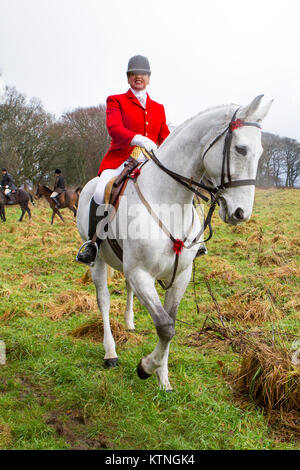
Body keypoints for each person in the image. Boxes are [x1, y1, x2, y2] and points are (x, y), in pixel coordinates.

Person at [76, 55, 170, 266]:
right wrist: (139, 139)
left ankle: (192, 240)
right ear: (128, 78)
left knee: (177, 184)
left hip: (151, 161)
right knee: (101, 191)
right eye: (134, 74)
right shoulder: (115, 100)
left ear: (149, 78)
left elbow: (164, 137)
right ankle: (93, 244)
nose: (139, 77)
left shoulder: (159, 108)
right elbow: (115, 129)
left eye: (143, 74)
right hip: (121, 159)